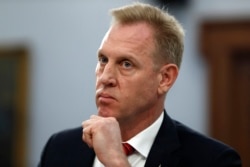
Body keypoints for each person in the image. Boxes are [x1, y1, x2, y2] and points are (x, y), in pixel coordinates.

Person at [38, 2, 242, 167]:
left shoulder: (213, 160)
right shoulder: (60, 148)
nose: (105, 77)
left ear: (165, 79)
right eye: (103, 60)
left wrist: (117, 162)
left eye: (126, 64)